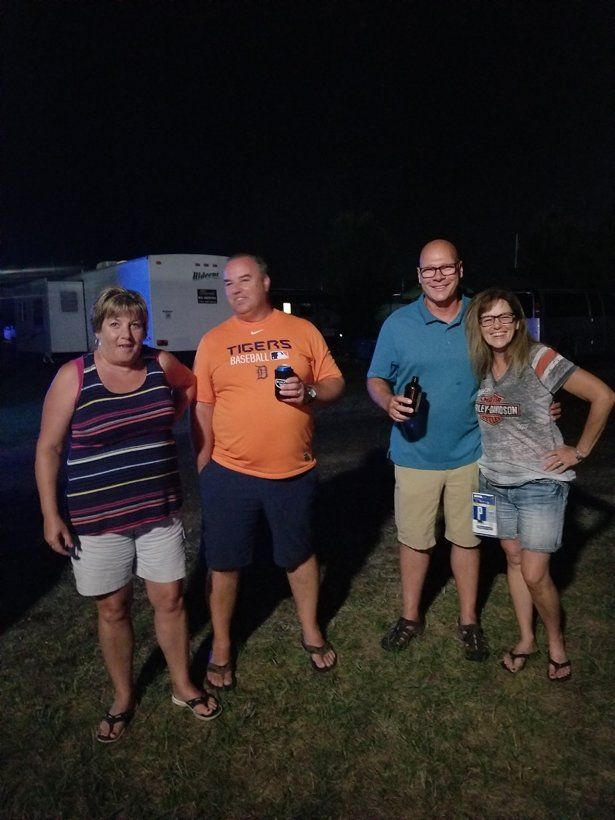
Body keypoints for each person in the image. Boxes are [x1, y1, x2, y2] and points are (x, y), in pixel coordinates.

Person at [35, 287, 222, 743]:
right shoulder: (74, 376)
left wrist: (170, 416)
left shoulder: (160, 364)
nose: (127, 334)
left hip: (158, 512)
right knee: (113, 609)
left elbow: (190, 384)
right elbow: (49, 448)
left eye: (135, 324)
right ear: (98, 329)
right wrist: (50, 513)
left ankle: (181, 684)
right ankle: (124, 696)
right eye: (115, 324)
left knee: (171, 601)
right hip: (97, 521)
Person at [192, 253, 345, 689]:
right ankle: (222, 645)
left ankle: (311, 630)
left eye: (244, 280)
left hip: (292, 473)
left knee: (297, 555)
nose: (235, 289)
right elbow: (203, 406)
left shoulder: (301, 331)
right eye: (228, 283)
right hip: (229, 473)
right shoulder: (213, 341)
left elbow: (334, 382)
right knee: (223, 563)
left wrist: (311, 389)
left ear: (265, 282)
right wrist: (204, 465)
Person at [465, 288, 614, 680]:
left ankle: (556, 643)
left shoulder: (538, 357)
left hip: (539, 485)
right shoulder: (480, 367)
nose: (496, 326)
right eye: (487, 319)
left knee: (533, 573)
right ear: (478, 327)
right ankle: (526, 639)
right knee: (513, 561)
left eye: (504, 317)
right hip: (494, 482)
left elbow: (603, 395)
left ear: (518, 322)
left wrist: (578, 451)